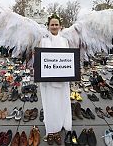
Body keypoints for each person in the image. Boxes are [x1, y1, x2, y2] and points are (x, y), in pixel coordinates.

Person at [39, 13, 72, 144]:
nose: (54, 26)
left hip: (62, 79)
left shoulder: (65, 41)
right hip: (48, 79)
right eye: (52, 24)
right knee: (50, 101)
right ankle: (52, 127)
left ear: (60, 26)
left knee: (62, 99)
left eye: (56, 24)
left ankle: (62, 122)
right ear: (48, 26)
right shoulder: (43, 41)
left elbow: (68, 57)